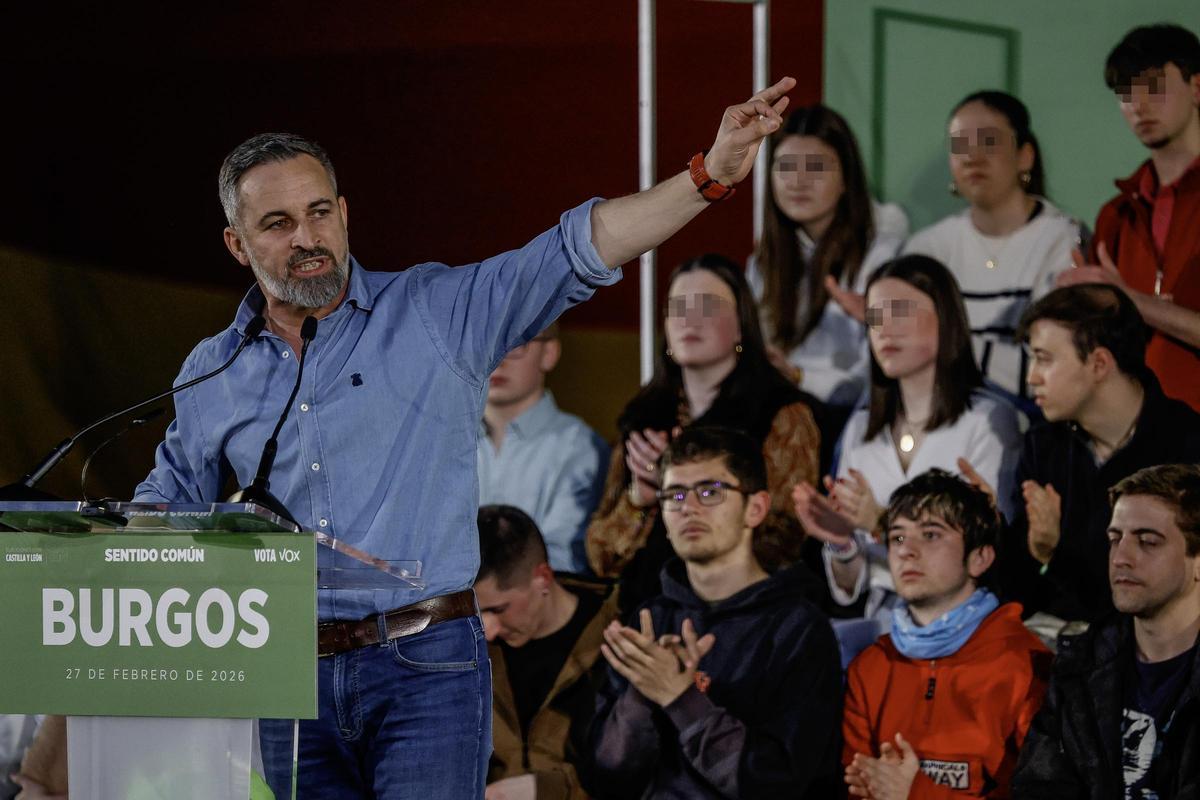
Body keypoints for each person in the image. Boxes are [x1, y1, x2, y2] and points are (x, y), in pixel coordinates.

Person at [131, 74, 799, 799]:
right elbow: (165, 509)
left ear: (346, 214)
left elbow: (580, 247)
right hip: (284, 674)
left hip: (426, 667)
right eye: (278, 224)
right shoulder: (214, 368)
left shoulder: (433, 310)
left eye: (319, 213)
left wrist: (708, 175)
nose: (307, 239)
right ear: (236, 243)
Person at [585, 427, 841, 799]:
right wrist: (640, 698)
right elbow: (604, 779)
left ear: (755, 508)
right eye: (674, 495)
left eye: (710, 492)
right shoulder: (647, 621)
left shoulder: (799, 629)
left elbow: (776, 785)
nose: (689, 507)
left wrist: (681, 699)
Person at [584, 253, 821, 617]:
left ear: (741, 324)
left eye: (708, 306)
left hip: (747, 613)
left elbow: (785, 540)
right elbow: (602, 558)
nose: (689, 320)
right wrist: (643, 497)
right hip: (649, 610)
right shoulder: (644, 415)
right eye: (678, 307)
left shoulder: (781, 411)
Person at [793, 254, 1021, 626]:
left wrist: (879, 522)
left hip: (963, 626)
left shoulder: (988, 420)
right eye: (874, 317)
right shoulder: (862, 427)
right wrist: (841, 541)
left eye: (900, 312)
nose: (885, 329)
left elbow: (991, 555)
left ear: (945, 318)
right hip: (883, 627)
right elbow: (852, 587)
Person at [992, 284, 1200, 635]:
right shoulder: (1043, 447)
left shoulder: (1186, 447)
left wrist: (1053, 556)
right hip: (1052, 646)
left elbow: (1160, 599)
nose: (1032, 378)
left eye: (1045, 359)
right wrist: (995, 534)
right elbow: (1017, 593)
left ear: (1099, 363)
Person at [842, 469, 1051, 799]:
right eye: (897, 537)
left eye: (931, 535)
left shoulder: (1026, 665)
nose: (906, 551)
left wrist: (917, 793)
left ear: (979, 558)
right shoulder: (870, 667)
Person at [1012, 464, 1200, 798]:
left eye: (1147, 542)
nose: (1120, 558)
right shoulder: (1079, 665)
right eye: (1115, 539)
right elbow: (1039, 788)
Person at [904, 90, 1083, 402]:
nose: (973, 157)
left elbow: (1052, 368)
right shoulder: (927, 247)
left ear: (1025, 155)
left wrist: (944, 342)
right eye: (961, 145)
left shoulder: (1063, 238)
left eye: (988, 142)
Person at [1059, 24, 1200, 411]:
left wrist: (1131, 301)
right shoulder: (1116, 214)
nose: (1138, 105)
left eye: (1154, 87)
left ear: (1197, 87)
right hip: (1137, 432)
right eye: (1126, 94)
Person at [747, 104, 908, 409]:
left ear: (847, 178)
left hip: (854, 414)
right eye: (786, 166)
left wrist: (797, 375)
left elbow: (875, 378)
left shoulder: (883, 255)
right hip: (781, 409)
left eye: (817, 167)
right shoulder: (763, 261)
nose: (798, 181)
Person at [474, 505, 618, 800]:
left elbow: (634, 768)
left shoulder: (620, 634)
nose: (487, 630)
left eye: (499, 609)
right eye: (477, 613)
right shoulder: (471, 647)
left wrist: (547, 791)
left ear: (543, 577)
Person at [479, 322, 609, 574]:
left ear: (549, 353)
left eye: (515, 343)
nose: (498, 359)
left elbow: (564, 559)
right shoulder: (448, 443)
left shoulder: (579, 446)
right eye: (487, 343)